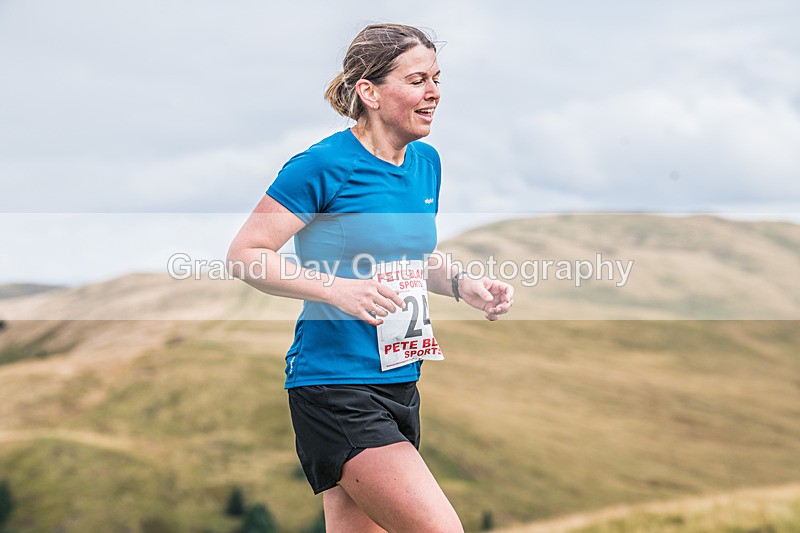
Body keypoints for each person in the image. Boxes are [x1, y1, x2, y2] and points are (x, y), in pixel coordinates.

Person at [227, 23, 513, 533]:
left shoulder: (426, 163)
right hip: (335, 385)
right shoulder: (323, 165)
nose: (434, 93)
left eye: (437, 79)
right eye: (417, 80)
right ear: (370, 92)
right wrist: (336, 289)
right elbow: (246, 254)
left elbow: (409, 257)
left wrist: (462, 283)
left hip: (401, 381)